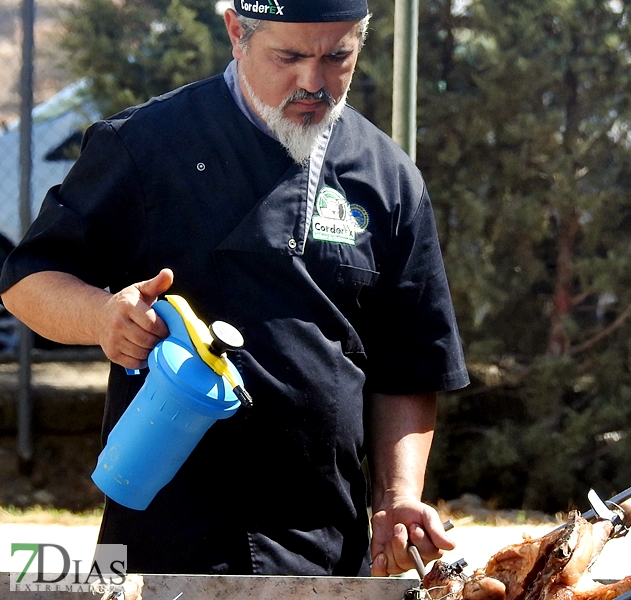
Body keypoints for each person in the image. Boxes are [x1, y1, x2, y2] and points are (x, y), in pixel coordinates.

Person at [0, 0, 469, 577]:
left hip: (324, 545)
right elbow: (27, 281)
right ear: (236, 34)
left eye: (337, 57)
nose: (313, 82)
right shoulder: (145, 144)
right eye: (289, 56)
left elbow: (412, 366)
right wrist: (102, 316)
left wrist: (396, 497)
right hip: (164, 533)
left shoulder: (389, 176)